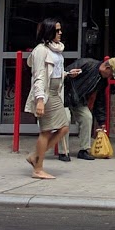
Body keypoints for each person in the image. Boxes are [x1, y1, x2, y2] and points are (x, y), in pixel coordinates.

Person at [23, 18, 70, 180]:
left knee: (63, 127)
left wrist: (68, 74)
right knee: (46, 131)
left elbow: (54, 72)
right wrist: (40, 100)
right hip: (47, 94)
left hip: (55, 93)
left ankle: (36, 156)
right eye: (57, 30)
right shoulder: (41, 50)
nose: (60, 33)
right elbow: (39, 77)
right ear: (49, 32)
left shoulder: (55, 49)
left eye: (60, 30)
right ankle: (38, 168)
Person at [59, 55, 115, 162]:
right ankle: (63, 151)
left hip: (78, 99)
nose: (110, 77)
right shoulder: (86, 64)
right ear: (107, 69)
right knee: (66, 119)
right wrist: (69, 75)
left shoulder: (102, 81)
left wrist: (101, 121)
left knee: (87, 117)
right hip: (63, 95)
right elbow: (64, 73)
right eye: (111, 74)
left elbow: (100, 101)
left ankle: (84, 149)